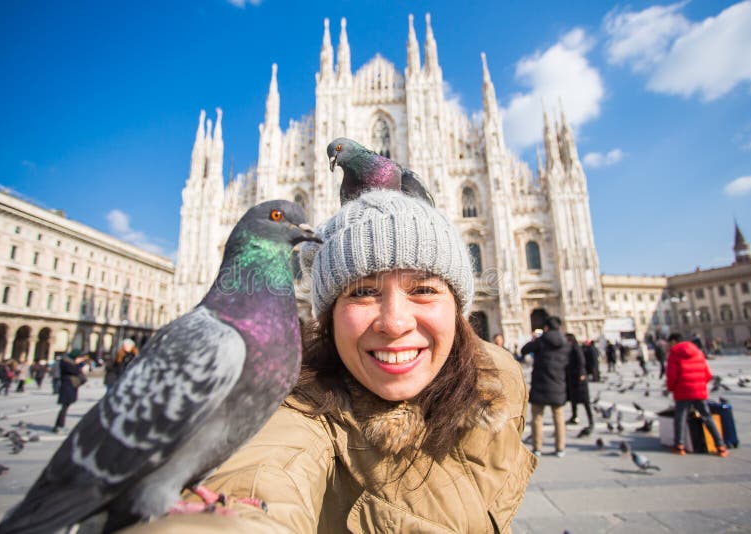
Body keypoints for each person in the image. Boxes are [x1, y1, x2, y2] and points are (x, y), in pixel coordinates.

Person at [131, 190, 536, 532]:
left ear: (458, 307)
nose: (394, 323)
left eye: (424, 289)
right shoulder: (294, 413)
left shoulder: (497, 385)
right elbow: (262, 477)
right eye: (361, 292)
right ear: (327, 315)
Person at [666, 333, 728, 457]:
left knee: (680, 418)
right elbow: (708, 374)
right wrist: (699, 384)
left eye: (669, 342)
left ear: (674, 341)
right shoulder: (698, 352)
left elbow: (672, 375)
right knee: (707, 417)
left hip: (682, 391)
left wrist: (672, 388)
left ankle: (679, 446)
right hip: (699, 391)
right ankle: (720, 446)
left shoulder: (674, 354)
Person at [521, 316, 570, 458]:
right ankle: (560, 448)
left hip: (540, 384)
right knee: (559, 417)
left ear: (546, 328)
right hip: (558, 383)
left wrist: (534, 339)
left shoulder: (541, 341)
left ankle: (537, 447)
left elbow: (524, 350)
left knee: (537, 417)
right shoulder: (564, 343)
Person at [53, 349, 89, 433]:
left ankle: (59, 425)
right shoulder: (66, 363)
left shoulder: (69, 362)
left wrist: (79, 363)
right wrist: (77, 363)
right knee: (64, 407)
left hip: (70, 386)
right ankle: (59, 426)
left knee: (65, 407)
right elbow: (75, 371)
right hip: (67, 387)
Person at [565, 333, 593, 431]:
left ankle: (591, 420)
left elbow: (581, 361)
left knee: (585, 401)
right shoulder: (570, 348)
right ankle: (574, 416)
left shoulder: (576, 348)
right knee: (573, 399)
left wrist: (582, 374)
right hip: (572, 378)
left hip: (579, 378)